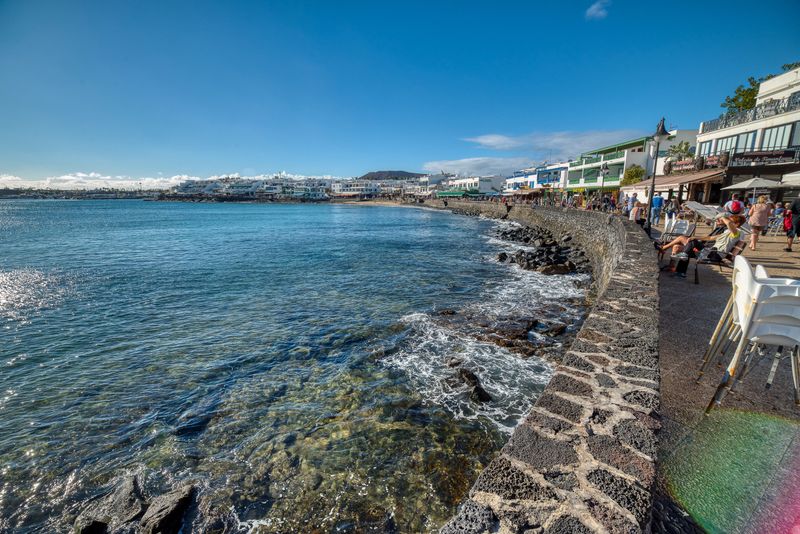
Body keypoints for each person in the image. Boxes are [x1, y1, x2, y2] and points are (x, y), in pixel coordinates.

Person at [659, 215, 745, 276]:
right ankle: (680, 272)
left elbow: (729, 223)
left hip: (715, 254)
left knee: (689, 243)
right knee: (685, 246)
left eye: (731, 222)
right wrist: (695, 237)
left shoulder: (736, 233)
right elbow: (711, 238)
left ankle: (666, 249)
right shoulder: (728, 232)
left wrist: (723, 217)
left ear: (737, 224)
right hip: (710, 252)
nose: (727, 223)